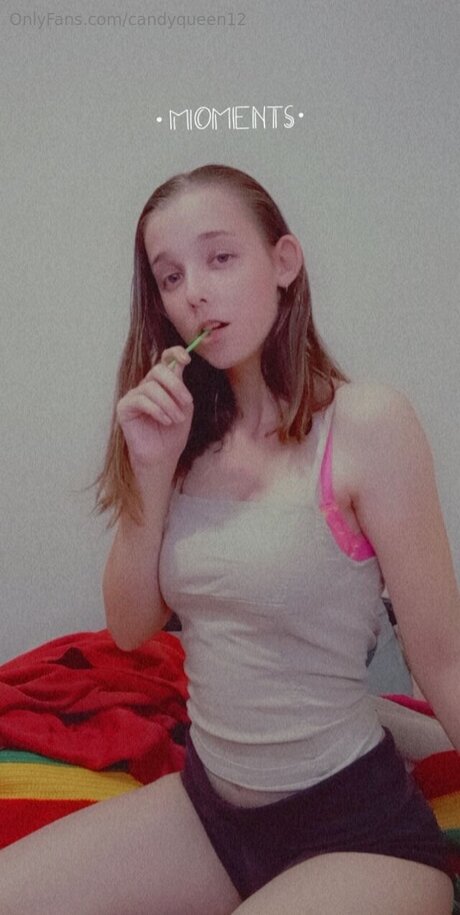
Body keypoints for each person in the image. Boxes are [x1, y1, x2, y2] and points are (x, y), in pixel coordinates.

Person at [0, 164, 458, 914]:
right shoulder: (183, 436)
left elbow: (445, 660)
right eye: (171, 276)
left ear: (283, 262)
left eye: (220, 257)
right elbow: (130, 627)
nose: (195, 292)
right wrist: (151, 469)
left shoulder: (367, 424)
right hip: (209, 809)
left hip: (354, 826)